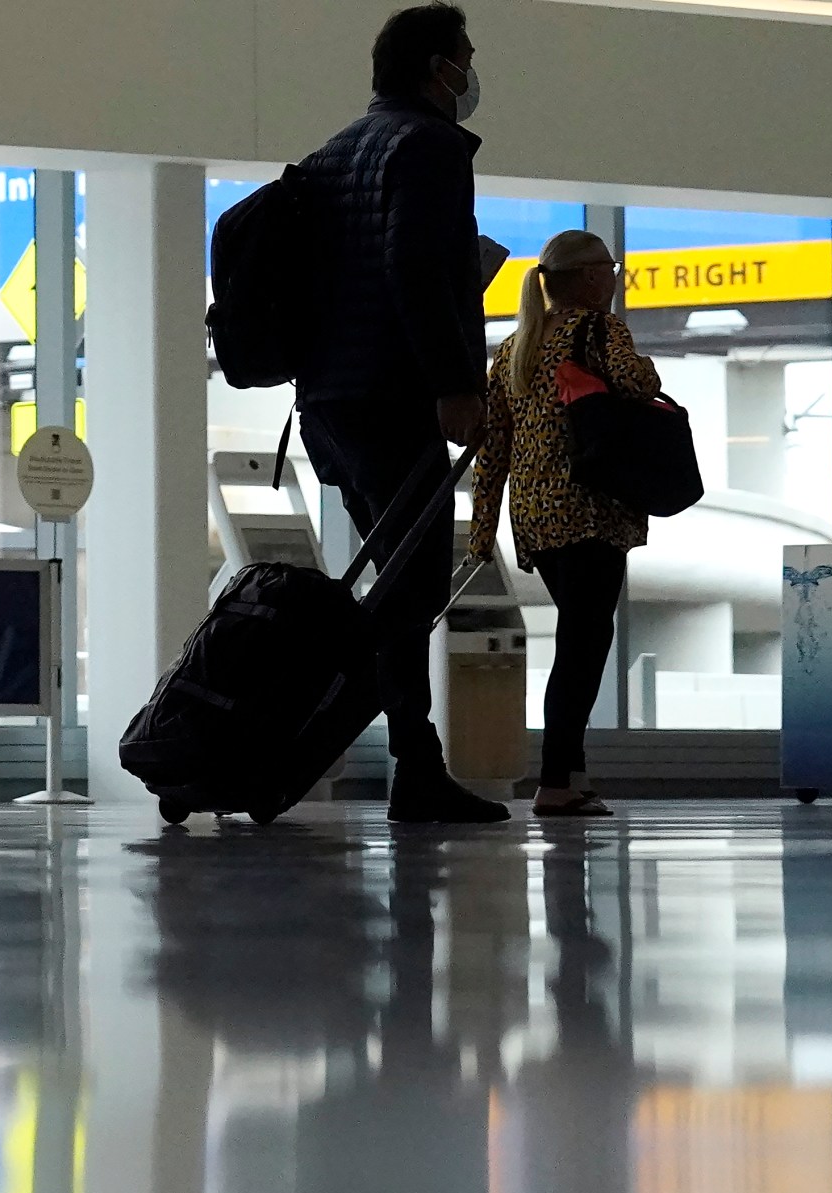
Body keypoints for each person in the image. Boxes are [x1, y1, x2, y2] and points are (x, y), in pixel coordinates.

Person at [297, 2, 509, 823]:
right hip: (394, 400)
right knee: (411, 591)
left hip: (329, 400)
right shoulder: (427, 146)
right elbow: (416, 270)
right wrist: (458, 384)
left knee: (396, 585)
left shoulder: (338, 150)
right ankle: (402, 760)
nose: (472, 73)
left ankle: (407, 757)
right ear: (436, 67)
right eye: (466, 57)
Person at [469, 231, 652, 818]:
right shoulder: (599, 330)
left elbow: (491, 448)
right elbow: (640, 384)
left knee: (579, 636)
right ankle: (556, 779)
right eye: (610, 267)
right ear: (590, 277)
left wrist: (481, 531)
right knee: (584, 642)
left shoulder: (514, 346)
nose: (615, 276)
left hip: (534, 513)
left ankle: (566, 774)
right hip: (590, 506)